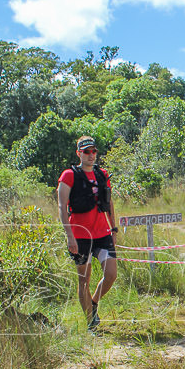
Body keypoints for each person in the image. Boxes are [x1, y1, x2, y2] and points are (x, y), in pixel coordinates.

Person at [57, 136, 118, 332]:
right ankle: (91, 323)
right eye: (86, 152)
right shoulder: (69, 175)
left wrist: (113, 228)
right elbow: (61, 205)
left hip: (102, 233)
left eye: (93, 151)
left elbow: (109, 203)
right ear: (79, 153)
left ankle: (93, 303)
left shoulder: (102, 174)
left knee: (111, 274)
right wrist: (69, 236)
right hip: (80, 235)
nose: (91, 155)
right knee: (84, 280)